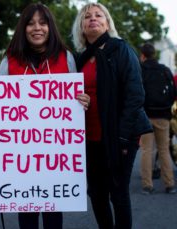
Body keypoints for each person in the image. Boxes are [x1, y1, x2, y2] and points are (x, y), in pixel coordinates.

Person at [0, 3, 90, 229]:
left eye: (42, 22)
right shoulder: (9, 60)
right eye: (30, 23)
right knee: (26, 216)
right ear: (23, 28)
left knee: (53, 215)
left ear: (50, 27)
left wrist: (83, 101)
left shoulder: (65, 57)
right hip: (20, 158)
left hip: (56, 157)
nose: (37, 28)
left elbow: (76, 99)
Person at [72, 3, 152, 229]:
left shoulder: (121, 50)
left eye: (99, 15)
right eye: (87, 17)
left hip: (119, 137)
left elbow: (135, 95)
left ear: (107, 23)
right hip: (90, 138)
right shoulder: (79, 59)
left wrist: (123, 137)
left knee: (118, 193)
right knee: (96, 194)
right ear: (82, 26)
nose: (93, 19)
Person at [139, 43, 176, 195]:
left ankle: (147, 185)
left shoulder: (140, 70)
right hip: (163, 116)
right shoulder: (165, 70)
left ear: (143, 55)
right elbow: (173, 92)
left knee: (147, 150)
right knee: (164, 150)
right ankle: (169, 184)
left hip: (145, 115)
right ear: (154, 54)